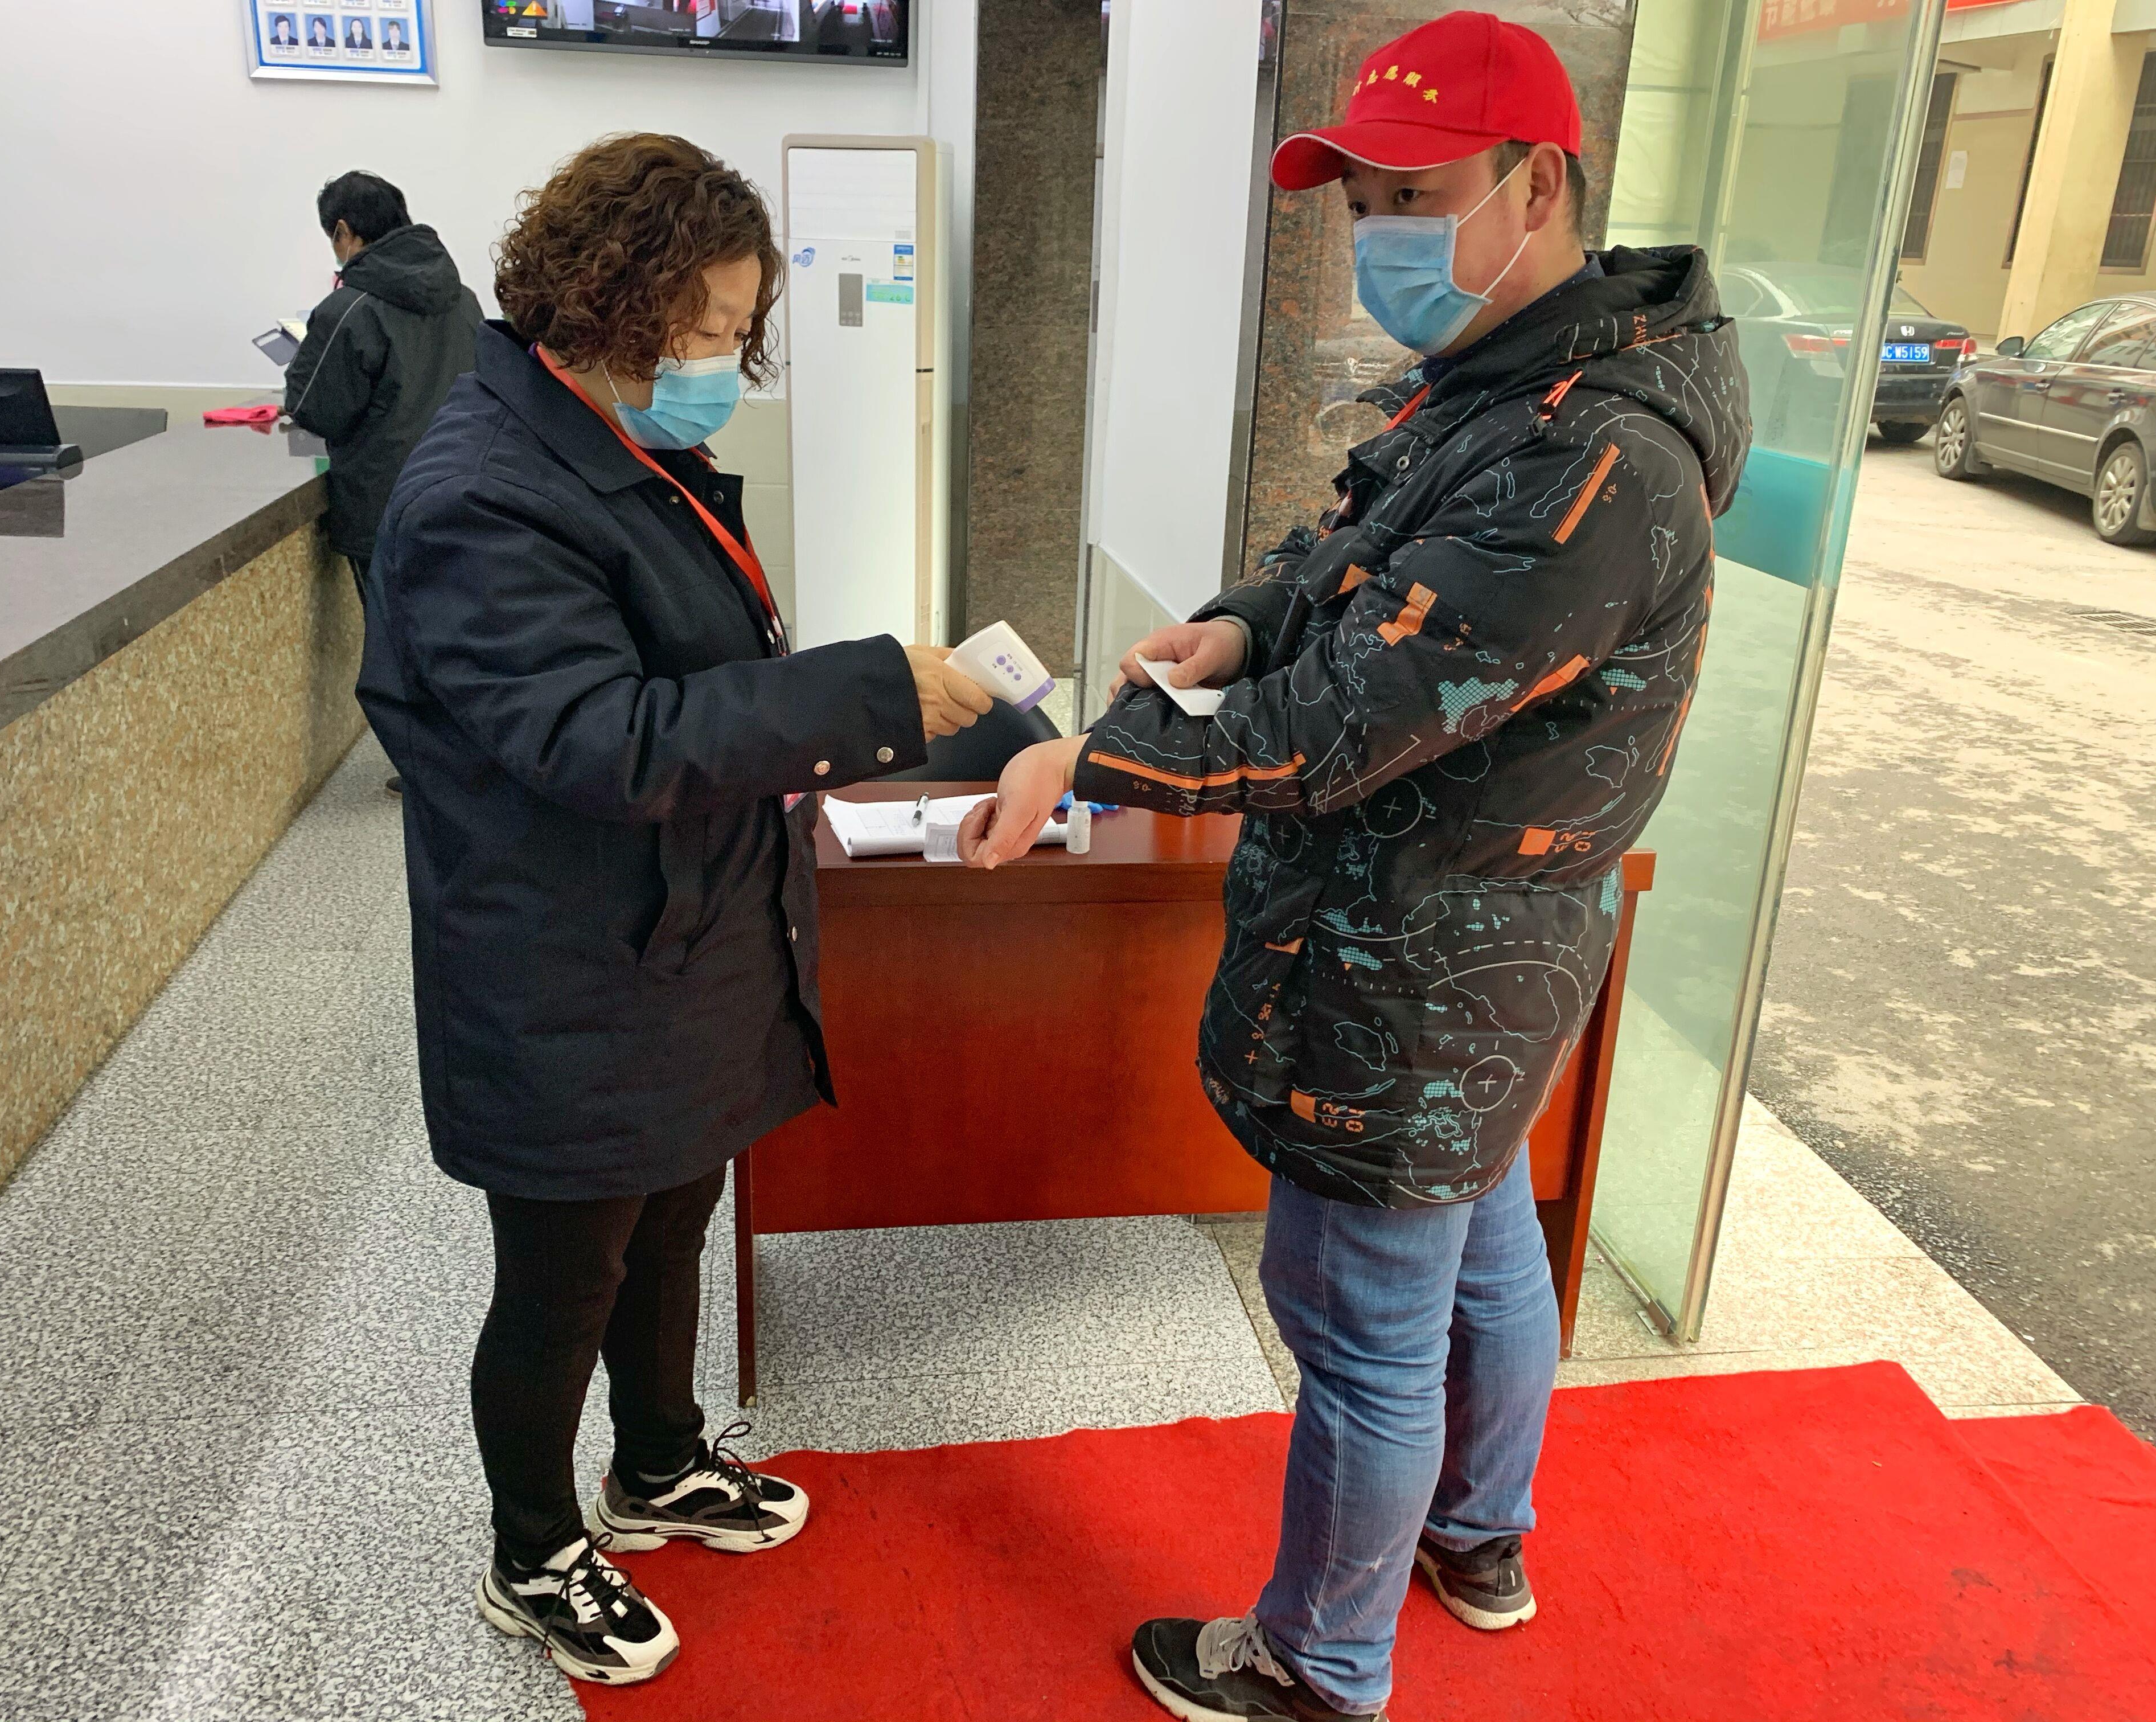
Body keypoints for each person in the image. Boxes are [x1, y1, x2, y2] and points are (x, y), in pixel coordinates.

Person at [960, 14, 1749, 1720]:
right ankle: (1480, 1535)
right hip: (1473, 949)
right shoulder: (1505, 383)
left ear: (1538, 187)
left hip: (1419, 970)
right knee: (1484, 1240)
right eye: (1362, 203)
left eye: (1416, 196)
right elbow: (1352, 556)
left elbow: (1347, 723)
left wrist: (1083, 760)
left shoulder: (1588, 454)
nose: (1381, 235)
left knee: (1365, 1327)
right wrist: (1244, 619)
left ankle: (1321, 1666)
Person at [355, 132, 991, 1688]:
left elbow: (695, 668)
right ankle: (534, 1546)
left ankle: (657, 1463)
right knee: (564, 1276)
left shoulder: (619, 448)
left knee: (674, 1218)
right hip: (563, 960)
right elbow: (599, 738)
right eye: (701, 329)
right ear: (603, 302)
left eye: (736, 329)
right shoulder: (483, 495)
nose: (719, 360)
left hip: (681, 932)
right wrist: (864, 696)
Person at [285, 170, 479, 792]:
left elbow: (314, 407)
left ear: (344, 232)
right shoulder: (463, 298)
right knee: (463, 630)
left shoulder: (350, 308)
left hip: (386, 501)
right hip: (468, 488)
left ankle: (431, 772)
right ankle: (476, 755)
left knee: (398, 646)